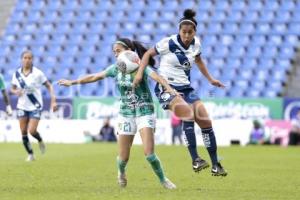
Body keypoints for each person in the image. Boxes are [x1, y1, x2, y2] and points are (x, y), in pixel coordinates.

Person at [58, 38, 177, 189]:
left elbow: (157, 77)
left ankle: (163, 180)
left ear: (128, 51)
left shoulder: (141, 66)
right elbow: (95, 76)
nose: (116, 55)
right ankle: (121, 172)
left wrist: (169, 88)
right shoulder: (116, 69)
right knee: (123, 158)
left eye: (118, 51)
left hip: (145, 112)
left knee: (149, 154)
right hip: (126, 114)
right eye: (114, 52)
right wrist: (73, 82)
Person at [133, 9, 227, 176]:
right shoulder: (168, 43)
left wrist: (211, 79)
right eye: (183, 32)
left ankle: (215, 165)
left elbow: (198, 60)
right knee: (188, 114)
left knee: (206, 122)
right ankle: (196, 160)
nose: (186, 36)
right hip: (166, 87)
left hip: (186, 87)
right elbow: (148, 53)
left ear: (194, 32)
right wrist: (140, 72)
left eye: (189, 33)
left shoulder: (196, 43)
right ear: (179, 31)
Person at [10, 51, 57, 161]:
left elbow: (49, 86)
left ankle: (40, 140)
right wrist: (15, 91)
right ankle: (31, 154)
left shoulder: (38, 73)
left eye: (29, 58)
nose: (27, 60)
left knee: (32, 131)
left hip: (35, 106)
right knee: (23, 132)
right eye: (25, 58)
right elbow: (12, 88)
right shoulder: (16, 74)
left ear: (32, 60)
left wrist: (53, 101)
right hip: (22, 106)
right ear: (22, 59)